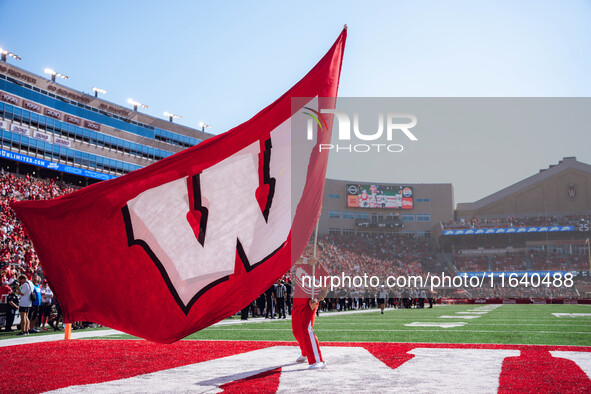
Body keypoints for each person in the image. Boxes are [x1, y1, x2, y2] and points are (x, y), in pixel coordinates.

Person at [292, 255, 328, 370]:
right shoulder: (302, 261)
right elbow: (292, 259)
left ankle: (318, 360)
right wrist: (307, 261)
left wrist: (316, 300)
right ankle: (305, 352)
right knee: (296, 331)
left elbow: (324, 292)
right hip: (297, 302)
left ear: (321, 252)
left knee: (306, 329)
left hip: (309, 303)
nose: (313, 251)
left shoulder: (323, 272)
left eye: (316, 249)